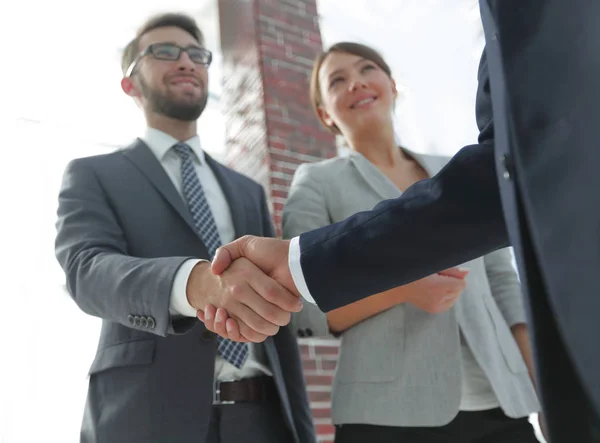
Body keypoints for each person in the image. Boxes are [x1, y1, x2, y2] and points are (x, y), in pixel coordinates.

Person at [200, 2, 600, 442]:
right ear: (325, 113)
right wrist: (405, 287)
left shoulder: (461, 172)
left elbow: (505, 286)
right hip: (386, 413)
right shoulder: (315, 181)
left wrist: (542, 390)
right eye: (337, 80)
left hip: (500, 402)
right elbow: (305, 311)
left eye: (366, 68)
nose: (355, 82)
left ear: (391, 85)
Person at [54, 13, 315, 443]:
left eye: (197, 54)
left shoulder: (247, 190)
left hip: (263, 418)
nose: (186, 62)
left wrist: (301, 428)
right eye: (164, 52)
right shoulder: (93, 174)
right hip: (146, 416)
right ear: (130, 83)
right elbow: (86, 270)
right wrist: (191, 283)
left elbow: (280, 315)